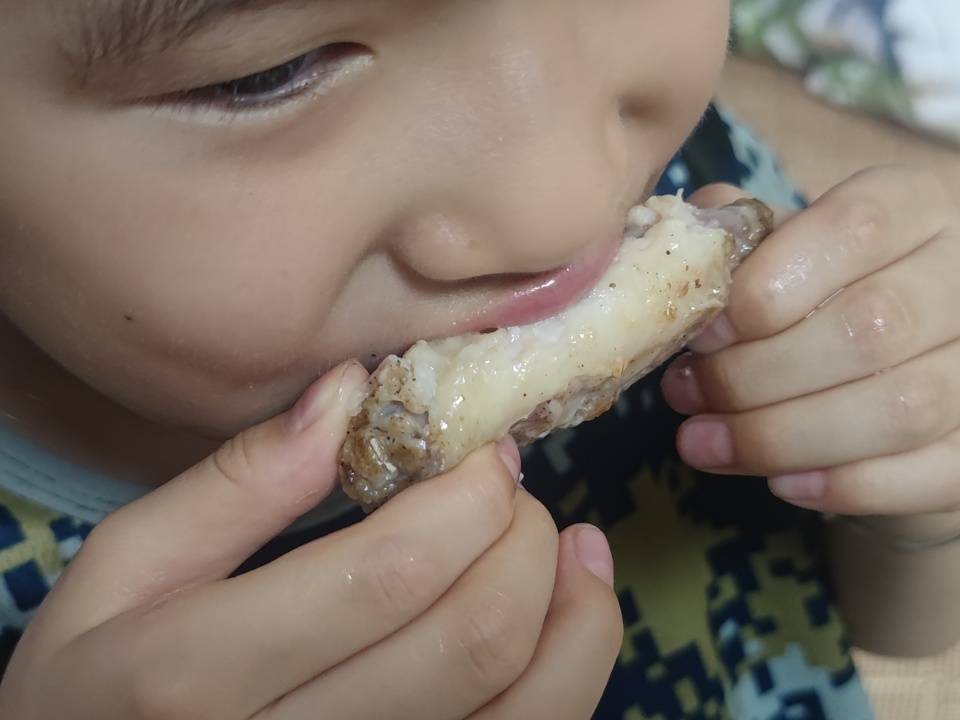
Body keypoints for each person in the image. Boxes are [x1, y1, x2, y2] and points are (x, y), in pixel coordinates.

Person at [0, 1, 957, 718]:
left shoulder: (698, 174)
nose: (568, 202)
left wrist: (914, 482)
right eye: (269, 74)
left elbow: (898, 626)